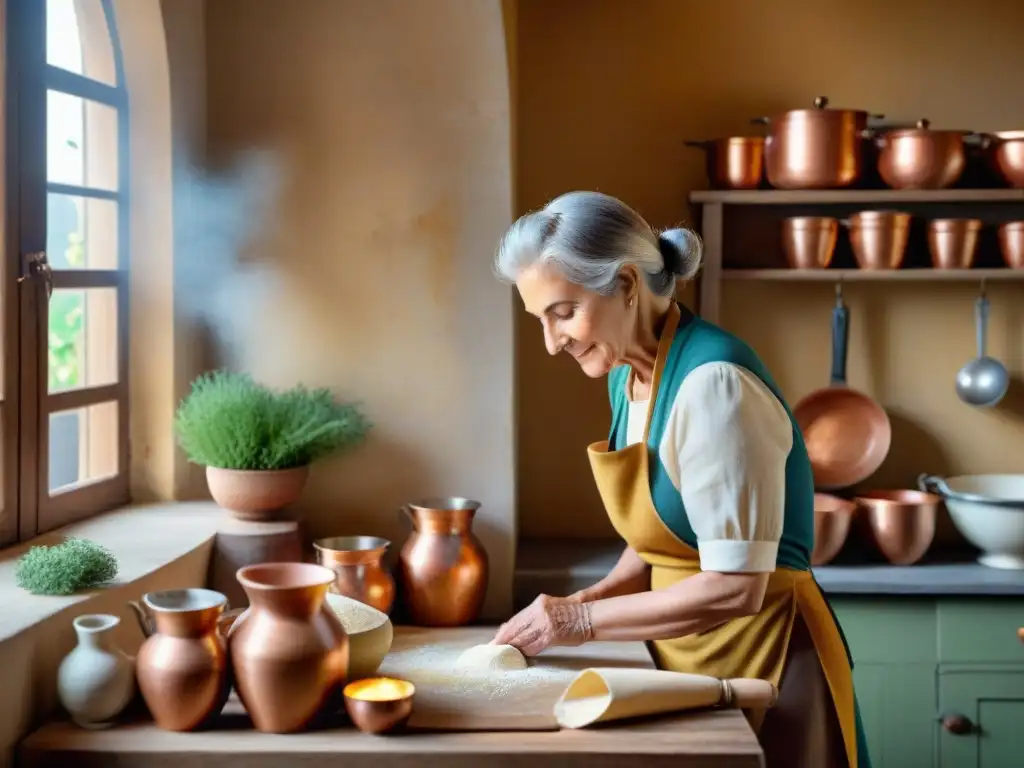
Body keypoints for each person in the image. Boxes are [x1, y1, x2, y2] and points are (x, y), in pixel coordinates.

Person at [491, 191, 870, 768]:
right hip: (688, 662)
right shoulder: (626, 377)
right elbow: (659, 539)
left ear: (624, 285)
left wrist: (579, 621)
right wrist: (582, 600)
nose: (552, 342)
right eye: (539, 319)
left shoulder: (715, 386)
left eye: (563, 312)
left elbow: (735, 587)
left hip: (765, 663)